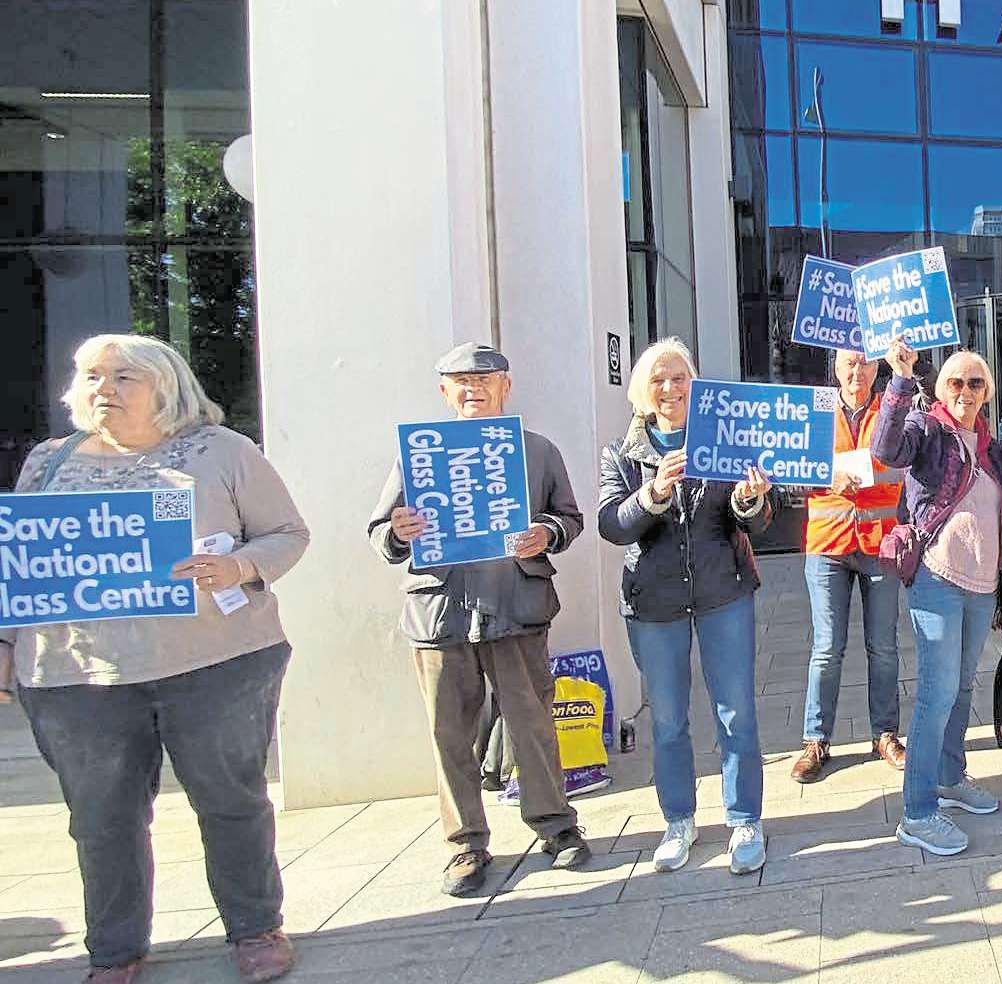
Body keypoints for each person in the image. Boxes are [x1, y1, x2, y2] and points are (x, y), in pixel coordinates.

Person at [0, 334, 309, 983]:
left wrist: (238, 567)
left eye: (123, 376)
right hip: (74, 678)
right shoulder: (47, 464)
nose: (102, 389)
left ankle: (255, 929)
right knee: (99, 818)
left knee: (231, 801)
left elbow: (287, 532)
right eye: (90, 376)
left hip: (216, 666)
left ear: (166, 386)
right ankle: (115, 951)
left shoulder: (222, 453)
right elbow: (20, 565)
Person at [367, 342, 590, 897]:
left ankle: (557, 827)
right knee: (450, 733)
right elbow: (379, 533)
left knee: (533, 723)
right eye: (460, 381)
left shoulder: (537, 452)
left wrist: (547, 534)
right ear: (445, 392)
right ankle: (465, 844)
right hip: (441, 612)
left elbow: (570, 518)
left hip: (517, 606)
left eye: (484, 380)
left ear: (505, 387)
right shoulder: (417, 456)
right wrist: (398, 531)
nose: (473, 389)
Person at [598, 338, 774, 875]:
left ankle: (744, 818)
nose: (671, 388)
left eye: (679, 377)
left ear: (695, 385)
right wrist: (651, 494)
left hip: (723, 592)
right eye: (659, 380)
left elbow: (752, 525)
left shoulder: (723, 441)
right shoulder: (621, 453)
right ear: (642, 393)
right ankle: (679, 820)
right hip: (655, 602)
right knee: (670, 719)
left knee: (736, 713)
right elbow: (611, 524)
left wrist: (751, 499)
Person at [873, 338, 1002, 858]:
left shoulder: (991, 447)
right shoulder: (926, 428)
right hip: (937, 577)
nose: (965, 390)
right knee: (936, 694)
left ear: (988, 392)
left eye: (975, 382)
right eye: (955, 381)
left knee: (962, 688)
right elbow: (886, 451)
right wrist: (898, 380)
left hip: (982, 586)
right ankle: (916, 812)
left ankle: (951, 777)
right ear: (940, 389)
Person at [794, 348, 906, 782]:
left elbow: (907, 465)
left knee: (884, 646)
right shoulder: (816, 412)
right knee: (827, 648)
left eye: (863, 363)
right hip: (828, 544)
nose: (856, 371)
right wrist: (827, 476)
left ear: (876, 367)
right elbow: (789, 468)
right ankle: (816, 739)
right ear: (836, 369)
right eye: (847, 364)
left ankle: (885, 734)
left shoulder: (892, 409)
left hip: (880, 545)